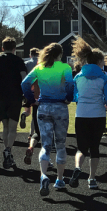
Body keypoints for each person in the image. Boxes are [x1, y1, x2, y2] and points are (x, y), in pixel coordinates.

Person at [23, 42, 75, 195]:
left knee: (45, 145)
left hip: (43, 107)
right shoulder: (65, 68)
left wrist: (31, 99)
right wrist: (68, 98)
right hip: (60, 108)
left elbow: (25, 83)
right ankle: (59, 180)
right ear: (60, 54)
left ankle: (43, 175)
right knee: (60, 144)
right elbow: (70, 85)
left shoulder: (39, 67)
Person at [68, 39, 107, 190]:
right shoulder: (103, 77)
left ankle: (77, 168)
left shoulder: (78, 76)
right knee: (94, 148)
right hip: (98, 115)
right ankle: (92, 178)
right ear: (100, 61)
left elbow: (74, 96)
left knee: (81, 148)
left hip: (81, 114)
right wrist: (106, 103)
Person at [0, 37, 28, 170]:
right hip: (15, 96)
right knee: (13, 128)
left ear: (2, 47)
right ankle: (8, 150)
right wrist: (25, 93)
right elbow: (24, 78)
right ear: (14, 48)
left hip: (0, 95)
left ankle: (7, 150)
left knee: (5, 125)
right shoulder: (19, 60)